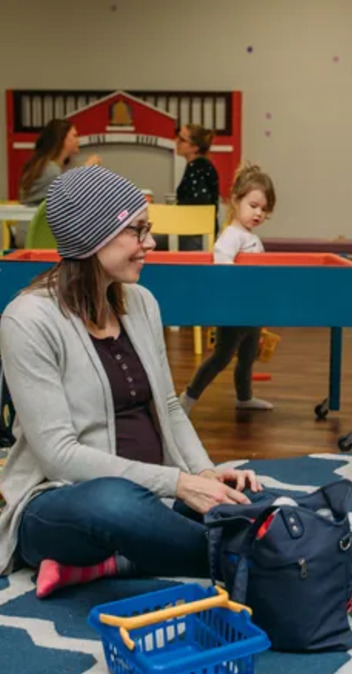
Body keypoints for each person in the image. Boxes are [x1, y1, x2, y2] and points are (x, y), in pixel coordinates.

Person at [0, 165, 261, 598]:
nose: (150, 243)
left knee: (243, 498)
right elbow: (60, 457)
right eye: (137, 230)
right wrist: (180, 484)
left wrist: (205, 474)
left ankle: (125, 560)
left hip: (153, 497)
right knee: (115, 504)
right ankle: (245, 556)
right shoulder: (27, 320)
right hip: (61, 504)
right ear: (93, 236)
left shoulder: (141, 303)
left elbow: (169, 407)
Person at [179, 164, 276, 414]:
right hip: (234, 309)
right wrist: (235, 293)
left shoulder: (250, 237)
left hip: (250, 309)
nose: (258, 213)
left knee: (248, 356)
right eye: (253, 206)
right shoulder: (233, 235)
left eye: (264, 209)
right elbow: (223, 262)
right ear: (235, 201)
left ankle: (245, 397)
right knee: (221, 357)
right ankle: (188, 397)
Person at [15, 119, 101, 247]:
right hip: (38, 237)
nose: (78, 140)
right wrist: (87, 169)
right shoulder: (50, 170)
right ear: (63, 140)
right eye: (74, 136)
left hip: (31, 232)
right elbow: (69, 194)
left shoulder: (44, 167)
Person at [174, 123, 219, 250]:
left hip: (196, 233)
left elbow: (199, 201)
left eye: (182, 140)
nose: (176, 141)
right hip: (196, 230)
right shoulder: (199, 166)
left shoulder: (198, 167)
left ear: (195, 147)